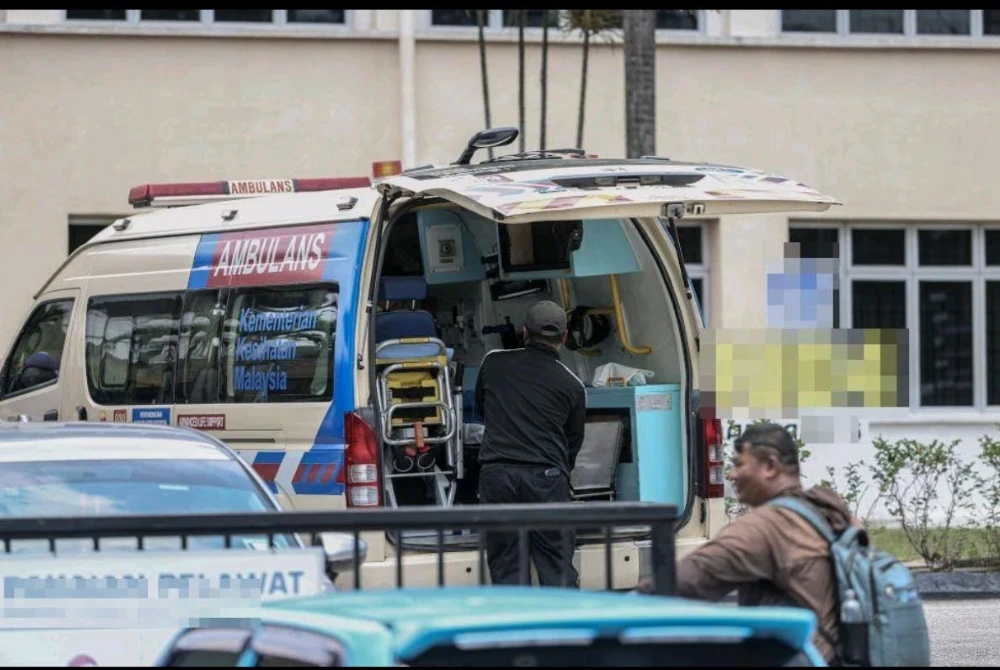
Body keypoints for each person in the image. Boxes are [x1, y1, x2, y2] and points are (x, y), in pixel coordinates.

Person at [636, 422, 854, 664]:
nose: (731, 474)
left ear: (770, 466)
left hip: (803, 657)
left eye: (739, 464)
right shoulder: (828, 508)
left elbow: (687, 579)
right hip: (842, 655)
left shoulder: (766, 526)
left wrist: (624, 602)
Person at [475, 299, 587, 588]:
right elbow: (572, 440)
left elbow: (481, 410)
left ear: (524, 332)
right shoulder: (572, 384)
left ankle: (516, 629)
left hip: (497, 475)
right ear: (563, 337)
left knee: (506, 563)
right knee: (556, 562)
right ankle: (567, 630)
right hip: (546, 479)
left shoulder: (493, 362)